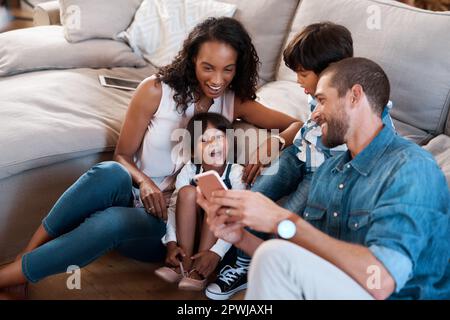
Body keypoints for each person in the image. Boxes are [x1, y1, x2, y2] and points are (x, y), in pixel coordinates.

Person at [0, 17, 301, 298]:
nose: (217, 79)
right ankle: (26, 257)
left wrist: (273, 142)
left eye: (228, 69)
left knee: (112, 222)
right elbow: (122, 154)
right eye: (208, 67)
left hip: (168, 223)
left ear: (239, 67)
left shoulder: (234, 102)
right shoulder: (156, 90)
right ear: (192, 60)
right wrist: (144, 184)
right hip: (135, 190)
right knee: (107, 172)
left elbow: (295, 124)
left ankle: (11, 275)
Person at [198, 57, 450, 300]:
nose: (315, 114)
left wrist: (279, 218)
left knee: (274, 255)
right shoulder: (328, 173)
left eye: (321, 101)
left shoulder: (411, 169)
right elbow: (299, 255)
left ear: (355, 96)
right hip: (343, 287)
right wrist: (240, 237)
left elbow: (381, 281)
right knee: (275, 255)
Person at [205, 21, 395, 301]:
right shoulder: (318, 94)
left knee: (284, 223)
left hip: (324, 172)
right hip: (300, 153)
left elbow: (378, 147)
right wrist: (280, 140)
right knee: (255, 195)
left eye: (302, 74)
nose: (298, 82)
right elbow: (306, 126)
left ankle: (249, 266)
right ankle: (239, 259)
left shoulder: (366, 109)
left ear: (331, 72)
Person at [154, 112, 246, 291]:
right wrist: (171, 243)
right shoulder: (189, 170)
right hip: (189, 235)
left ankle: (200, 268)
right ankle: (184, 262)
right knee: (187, 192)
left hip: (222, 243)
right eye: (204, 140)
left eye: (219, 137)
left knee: (216, 195)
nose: (213, 144)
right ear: (194, 149)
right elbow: (174, 208)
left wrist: (216, 252)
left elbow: (237, 218)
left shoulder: (235, 173)